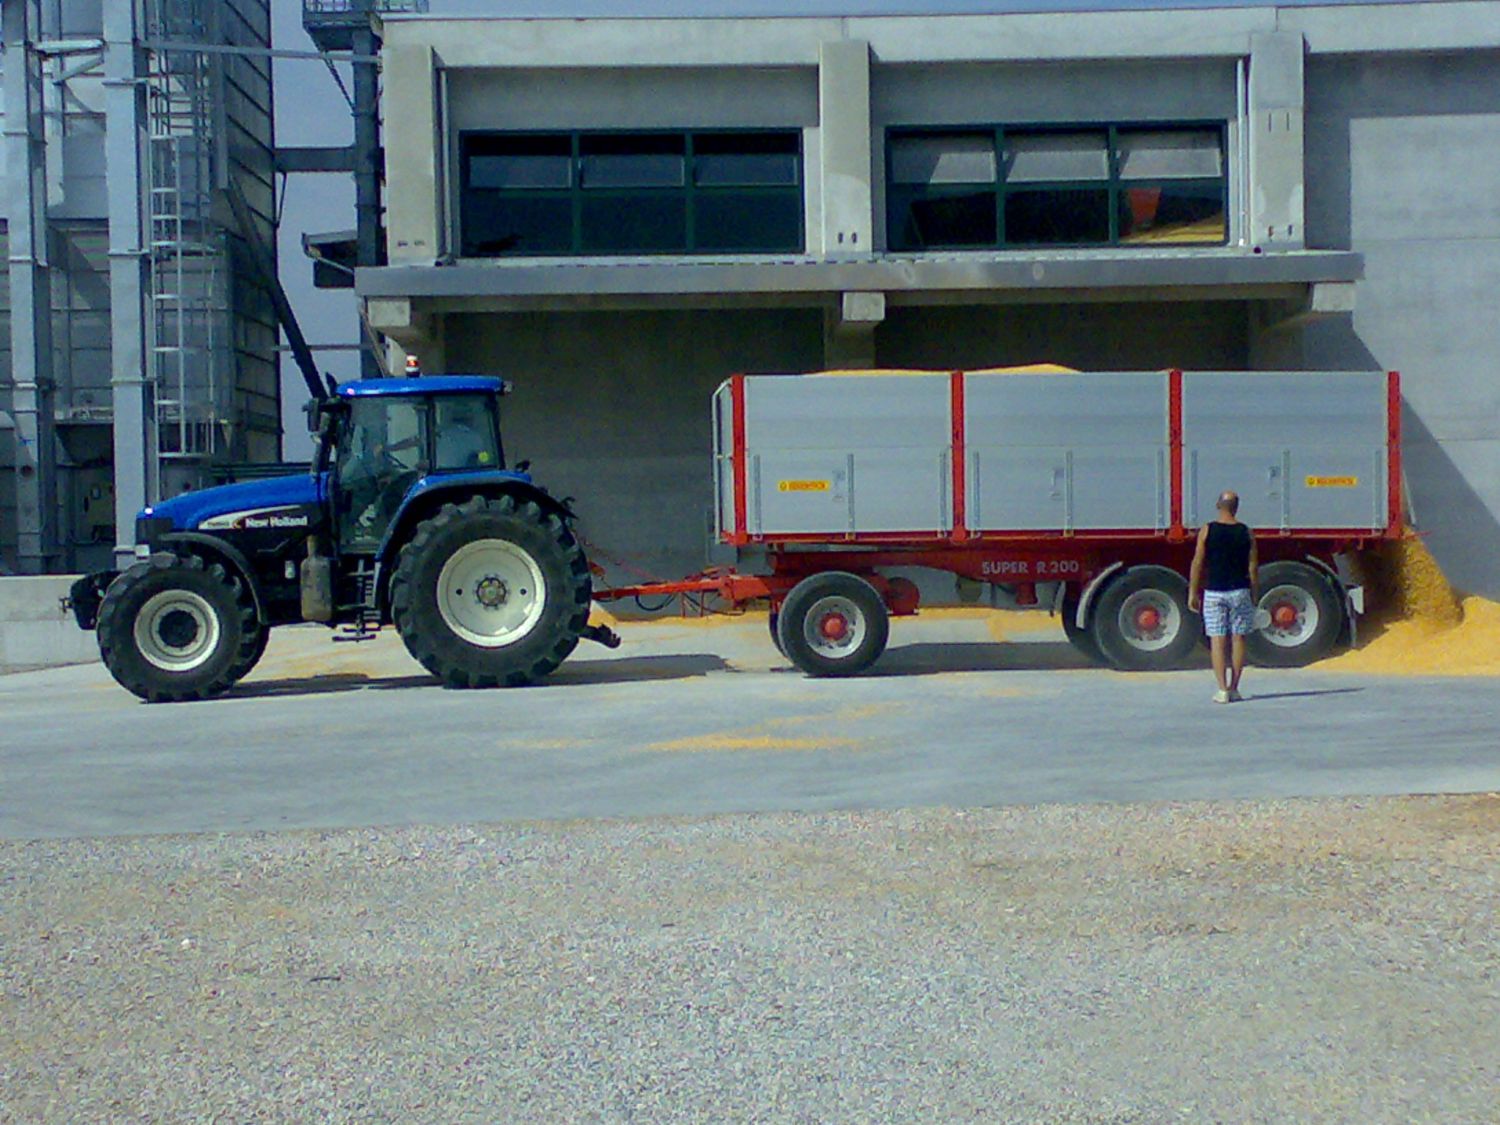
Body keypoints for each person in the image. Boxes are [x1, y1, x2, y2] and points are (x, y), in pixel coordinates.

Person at [1188, 490, 1259, 704]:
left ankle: (1222, 689)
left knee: (1217, 640)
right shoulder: (1247, 532)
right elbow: (1253, 566)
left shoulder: (1207, 530)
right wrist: (1254, 593)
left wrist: (1193, 591)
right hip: (1239, 591)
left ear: (1218, 505)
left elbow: (1198, 562)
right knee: (1238, 638)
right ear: (1236, 507)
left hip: (1214, 591)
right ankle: (1235, 687)